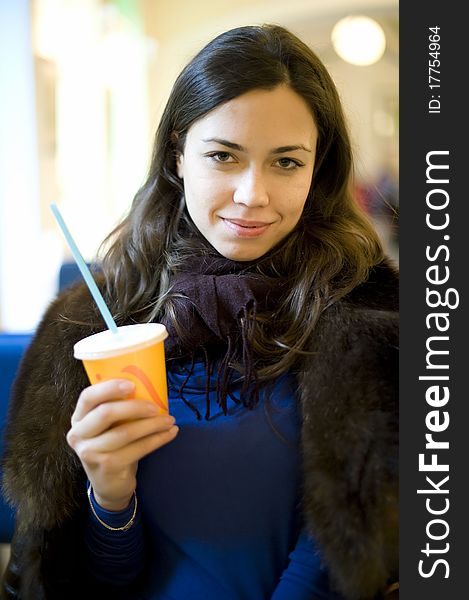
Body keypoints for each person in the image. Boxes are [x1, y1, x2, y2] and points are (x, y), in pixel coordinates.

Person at [1, 24, 398, 600]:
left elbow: (340, 565)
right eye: (223, 156)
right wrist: (110, 496)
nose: (252, 194)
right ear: (179, 155)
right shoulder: (91, 322)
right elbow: (80, 578)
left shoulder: (371, 320)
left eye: (286, 162)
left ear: (319, 171)